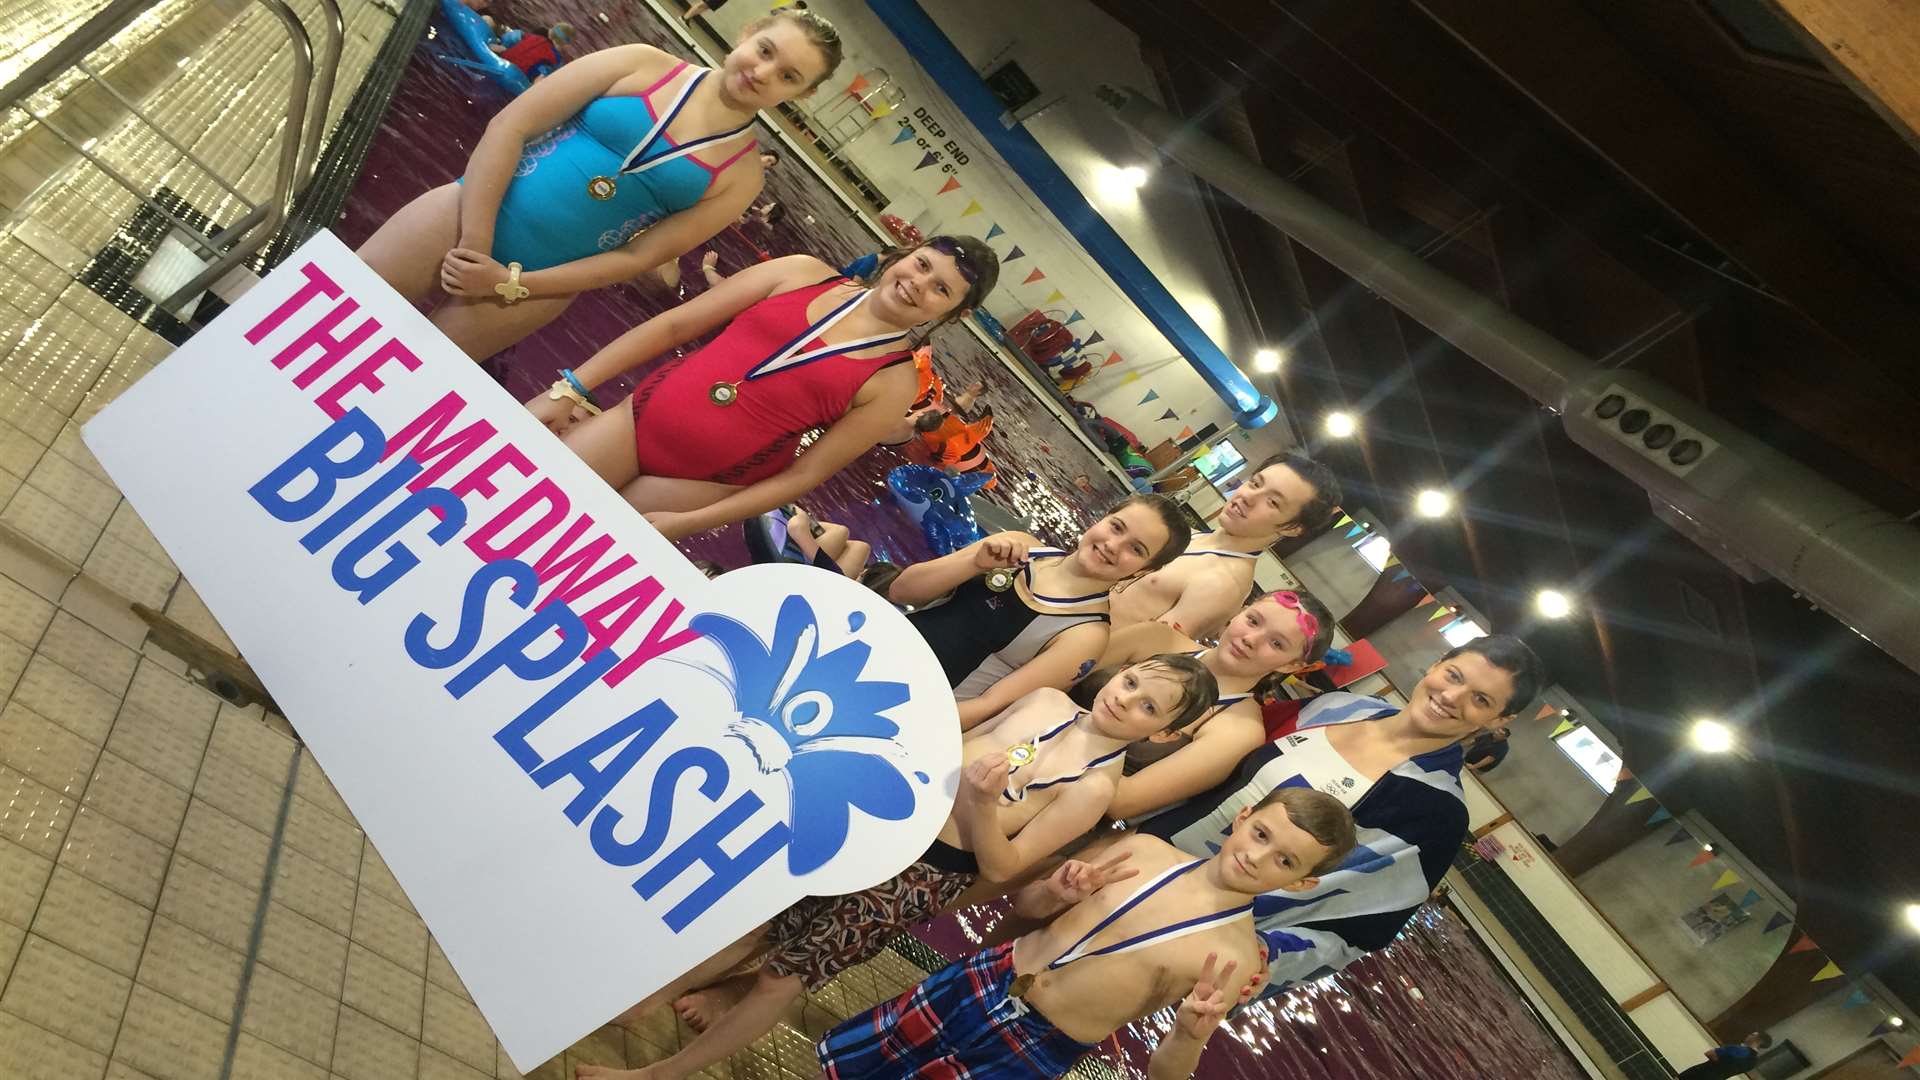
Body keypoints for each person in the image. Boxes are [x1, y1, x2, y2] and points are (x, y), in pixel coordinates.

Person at [582, 656, 1221, 1080]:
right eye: (1134, 682)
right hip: (877, 823)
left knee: (785, 976)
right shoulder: (1048, 698)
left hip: (924, 873)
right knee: (756, 922)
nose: (1126, 699)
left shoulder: (1094, 789)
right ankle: (647, 1001)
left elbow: (1005, 864)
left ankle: (658, 1075)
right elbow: (942, 734)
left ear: (1162, 736)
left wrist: (980, 805)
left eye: (1149, 708)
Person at [358, 11, 843, 360]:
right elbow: (511, 126)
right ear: (749, 32)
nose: (761, 72)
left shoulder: (742, 175)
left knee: (404, 379)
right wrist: (475, 243)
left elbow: (636, 259)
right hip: (463, 215)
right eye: (765, 51)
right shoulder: (641, 64)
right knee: (335, 309)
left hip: (532, 288)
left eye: (788, 76)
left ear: (803, 94)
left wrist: (510, 281)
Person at [816, 786, 1357, 1080]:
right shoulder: (1143, 851)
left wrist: (1191, 1036)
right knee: (851, 1067)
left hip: (1040, 1045)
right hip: (986, 978)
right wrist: (1057, 893)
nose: (1256, 856)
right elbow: (1027, 906)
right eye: (1261, 833)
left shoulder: (1235, 958)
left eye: (1283, 860)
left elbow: (1166, 1075)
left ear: (1302, 883)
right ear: (1242, 817)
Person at [1120, 634, 1546, 998]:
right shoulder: (1337, 707)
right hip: (1131, 862)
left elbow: (1356, 932)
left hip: (1187, 934)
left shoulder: (1435, 815)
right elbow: (1216, 763)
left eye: (1481, 700)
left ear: (1500, 719)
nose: (1451, 698)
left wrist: (1259, 956)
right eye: (1454, 676)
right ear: (1437, 664)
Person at [528, 237, 999, 539]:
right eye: (920, 265)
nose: (917, 283)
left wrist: (689, 524)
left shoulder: (895, 380)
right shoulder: (798, 272)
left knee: (579, 547)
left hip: (703, 481)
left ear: (952, 315)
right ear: (901, 255)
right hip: (636, 421)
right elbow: (674, 325)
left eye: (940, 289)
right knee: (527, 502)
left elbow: (802, 476)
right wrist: (571, 387)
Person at [889, 495, 1193, 729]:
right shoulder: (1020, 547)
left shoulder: (1085, 635)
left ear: (1146, 569)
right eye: (1116, 527)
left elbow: (990, 707)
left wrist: (908, 722)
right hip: (882, 646)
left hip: (918, 703)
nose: (1113, 545)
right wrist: (974, 564)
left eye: (1136, 549)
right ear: (1102, 519)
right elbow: (902, 591)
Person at [1099, 589, 1338, 822]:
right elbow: (1065, 670)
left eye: (1276, 643)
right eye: (1253, 621)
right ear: (1239, 612)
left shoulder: (1238, 733)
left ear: (1291, 666)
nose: (1250, 639)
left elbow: (1122, 801)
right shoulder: (1154, 638)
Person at [1111, 452, 1342, 638]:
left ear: (1291, 528)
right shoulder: (1192, 537)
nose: (1248, 497)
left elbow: (1139, 653)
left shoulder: (1223, 582)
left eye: (1272, 502)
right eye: (1255, 483)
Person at [1677, 1032, 1772, 1079]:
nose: (1748, 1035)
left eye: (1752, 1034)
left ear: (1759, 1040)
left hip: (1699, 1074)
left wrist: (1719, 1062)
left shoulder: (1738, 1049)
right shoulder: (1753, 1063)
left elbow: (1710, 1053)